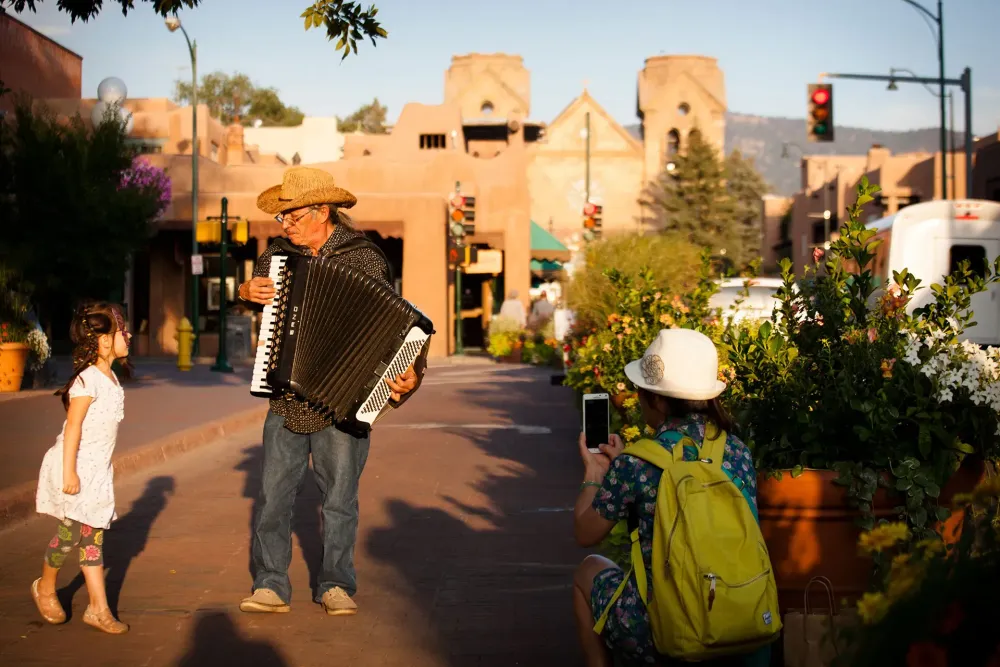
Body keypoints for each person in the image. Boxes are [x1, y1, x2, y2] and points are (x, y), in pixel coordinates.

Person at [237, 166, 427, 617]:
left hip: (344, 402)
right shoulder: (277, 257)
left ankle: (336, 584)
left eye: (294, 216)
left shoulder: (365, 259)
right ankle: (270, 584)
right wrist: (246, 292)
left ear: (323, 210)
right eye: (283, 218)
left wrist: (411, 373)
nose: (286, 226)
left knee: (340, 499)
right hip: (285, 393)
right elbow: (256, 304)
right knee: (274, 496)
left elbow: (396, 327)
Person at [572, 328, 767, 667]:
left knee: (587, 572)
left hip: (663, 630)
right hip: (740, 617)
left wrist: (594, 474)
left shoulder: (636, 463)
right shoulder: (737, 451)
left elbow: (585, 533)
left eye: (641, 390)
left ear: (659, 400)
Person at [32, 302, 133, 634]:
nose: (128, 335)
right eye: (122, 332)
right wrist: (69, 473)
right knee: (68, 536)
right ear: (104, 341)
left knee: (92, 539)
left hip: (96, 472)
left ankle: (97, 609)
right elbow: (72, 427)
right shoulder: (88, 380)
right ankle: (45, 587)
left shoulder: (111, 378)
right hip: (74, 467)